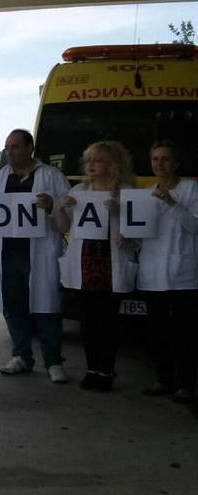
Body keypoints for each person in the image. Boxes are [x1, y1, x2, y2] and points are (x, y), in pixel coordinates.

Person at [0, 129, 71, 383]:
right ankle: (21, 355)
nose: (10, 152)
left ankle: (53, 361)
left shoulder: (52, 177)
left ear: (30, 147)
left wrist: (52, 206)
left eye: (16, 146)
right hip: (8, 254)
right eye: (7, 147)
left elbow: (69, 216)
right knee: (13, 306)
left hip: (41, 253)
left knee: (46, 308)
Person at [54, 140, 137, 392]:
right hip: (85, 263)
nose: (91, 165)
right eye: (88, 160)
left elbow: (137, 232)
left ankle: (106, 369)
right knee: (88, 321)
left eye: (98, 160)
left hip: (111, 264)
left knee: (108, 321)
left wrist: (120, 213)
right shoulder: (79, 191)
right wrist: (59, 207)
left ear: (112, 164)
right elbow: (63, 227)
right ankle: (92, 368)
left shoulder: (125, 192)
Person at [136, 141, 198, 404]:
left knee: (185, 333)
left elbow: (194, 226)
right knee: (157, 333)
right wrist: (128, 238)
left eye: (165, 159)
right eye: (155, 159)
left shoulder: (191, 189)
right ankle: (163, 379)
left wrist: (172, 203)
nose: (160, 164)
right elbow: (143, 236)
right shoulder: (145, 195)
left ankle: (186, 384)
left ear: (176, 163)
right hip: (152, 274)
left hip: (184, 274)